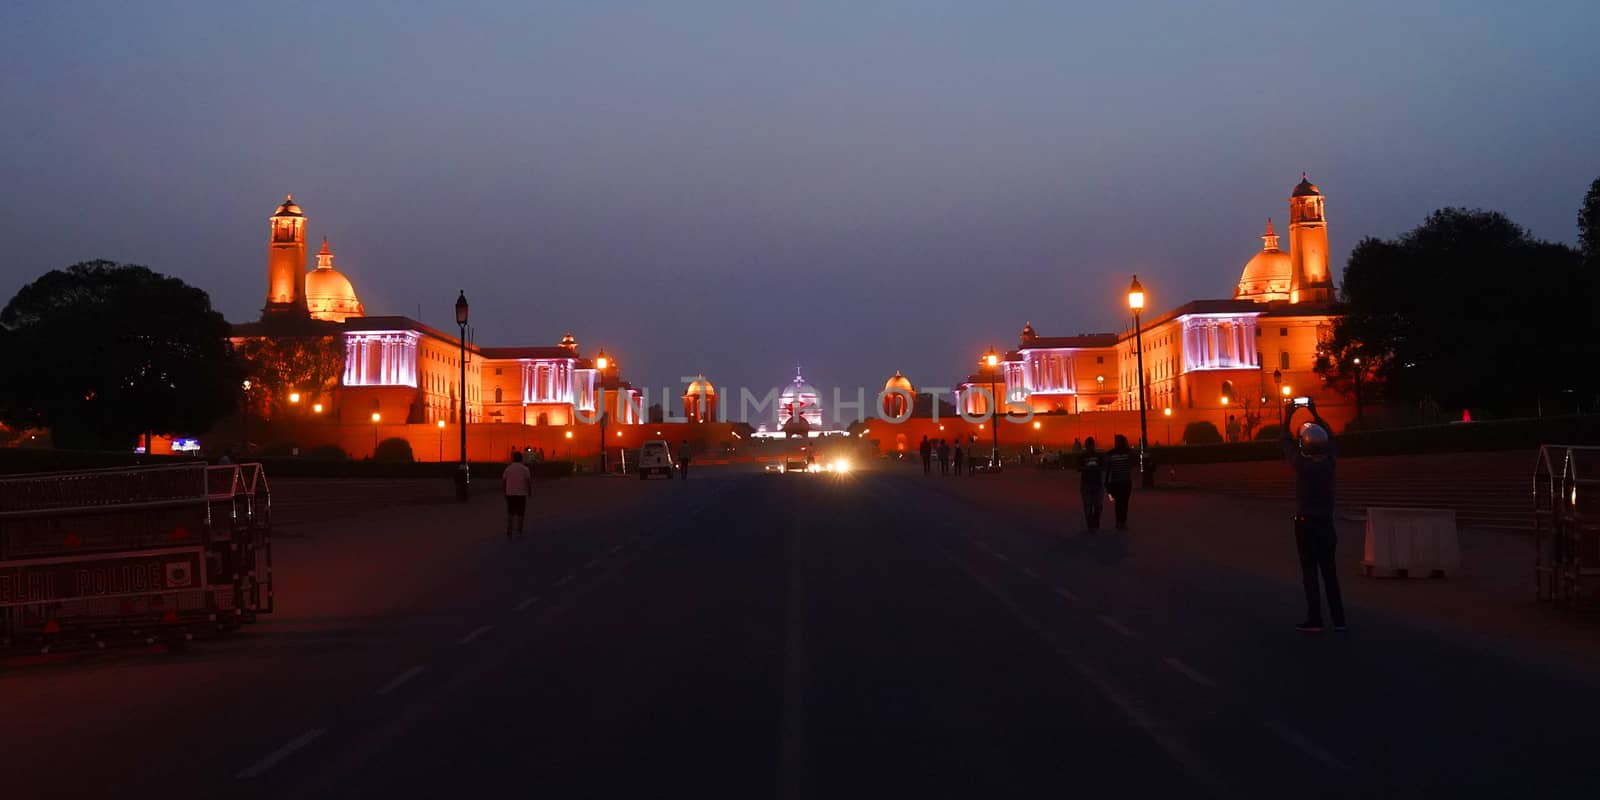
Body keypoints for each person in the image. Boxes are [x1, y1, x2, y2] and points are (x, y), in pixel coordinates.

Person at [1283, 400, 1346, 633]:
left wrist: (1288, 415)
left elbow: (1284, 441)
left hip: (1306, 524)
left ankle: (1315, 619)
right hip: (1326, 524)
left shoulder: (1302, 465)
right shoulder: (1329, 464)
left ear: (1304, 444)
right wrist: (1314, 412)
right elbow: (1332, 438)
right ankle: (1339, 619)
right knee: (1330, 572)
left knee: (1309, 572)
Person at [1104, 434, 1135, 531]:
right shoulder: (1117, 453)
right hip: (1117, 482)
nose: (1116, 442)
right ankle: (1119, 522)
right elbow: (1108, 468)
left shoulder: (1115, 453)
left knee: (1123, 503)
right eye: (1116, 441)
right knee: (1118, 503)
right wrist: (1106, 481)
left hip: (1124, 482)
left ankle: (1122, 522)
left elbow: (1132, 463)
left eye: (1118, 441)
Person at [1076, 436, 1106, 531]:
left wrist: (1092, 468)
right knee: (1088, 505)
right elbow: (1078, 468)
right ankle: (1090, 524)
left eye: (1091, 446)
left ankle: (1095, 522)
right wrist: (1088, 468)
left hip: (1097, 483)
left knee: (1098, 505)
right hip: (1087, 483)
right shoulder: (1082, 456)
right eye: (1089, 446)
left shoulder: (1099, 456)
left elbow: (1103, 467)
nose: (1090, 448)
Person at [501, 451, 532, 539]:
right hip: (521, 493)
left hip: (510, 493)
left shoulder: (508, 469)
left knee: (510, 513)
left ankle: (509, 530)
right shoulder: (525, 469)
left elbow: (504, 481)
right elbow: (528, 482)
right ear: (521, 459)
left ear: (513, 459)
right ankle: (519, 531)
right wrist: (529, 492)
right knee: (521, 514)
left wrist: (504, 492)